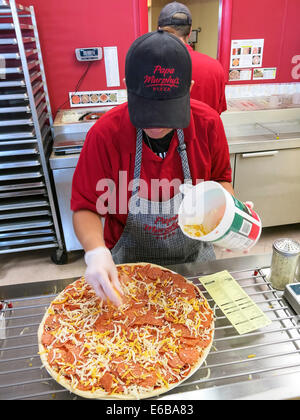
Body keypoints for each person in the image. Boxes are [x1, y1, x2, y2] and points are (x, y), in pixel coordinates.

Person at [71, 30, 233, 307]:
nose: (156, 125)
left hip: (194, 261)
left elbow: (221, 179)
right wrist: (95, 251)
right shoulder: (105, 133)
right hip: (128, 267)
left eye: (167, 112)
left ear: (189, 88)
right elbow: (86, 205)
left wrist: (227, 211)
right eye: (147, 111)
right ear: (127, 87)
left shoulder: (207, 123)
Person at [158, 1, 227, 114]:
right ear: (190, 32)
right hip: (206, 132)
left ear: (159, 30)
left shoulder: (150, 66)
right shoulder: (215, 67)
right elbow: (218, 111)